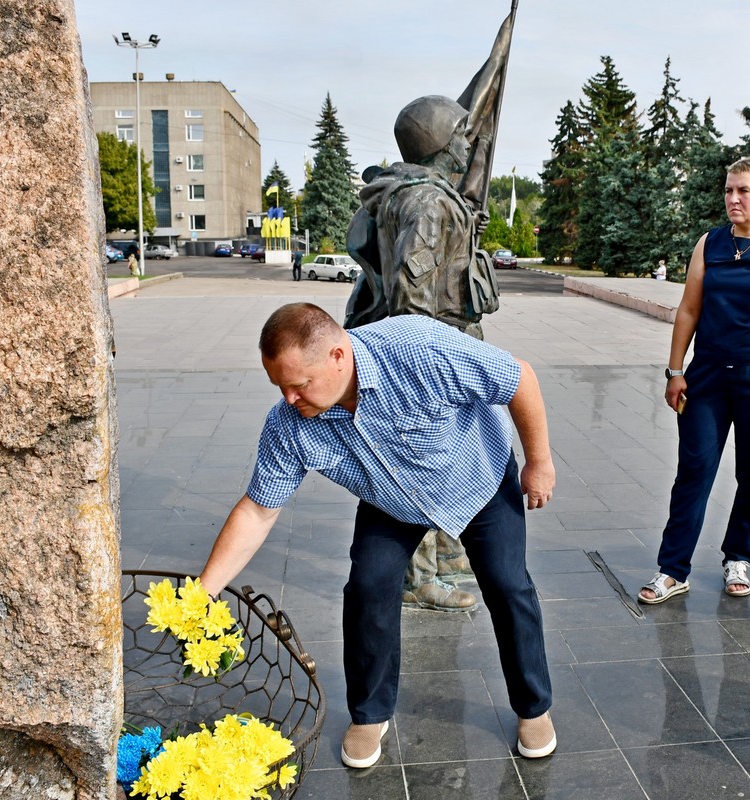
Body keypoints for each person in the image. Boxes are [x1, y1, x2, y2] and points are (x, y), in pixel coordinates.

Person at [197, 303, 557, 768]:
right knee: (368, 586)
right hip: (392, 501)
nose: (289, 398)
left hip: (477, 475)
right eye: (279, 386)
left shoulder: (417, 348)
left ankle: (533, 707)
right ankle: (370, 714)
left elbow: (518, 377)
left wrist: (539, 462)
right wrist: (202, 591)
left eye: (299, 384)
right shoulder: (289, 424)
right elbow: (257, 511)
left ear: (337, 356)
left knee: (509, 586)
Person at [344, 95, 504, 612]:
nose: (466, 142)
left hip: (435, 343)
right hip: (433, 351)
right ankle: (417, 578)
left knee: (450, 457)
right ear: (436, 143)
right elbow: (412, 292)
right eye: (458, 133)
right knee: (420, 462)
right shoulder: (429, 203)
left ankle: (448, 551)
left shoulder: (415, 196)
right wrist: (428, 368)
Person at [639, 156, 750, 605]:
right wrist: (676, 370)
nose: (733, 198)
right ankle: (672, 569)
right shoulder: (711, 243)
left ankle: (737, 557)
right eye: (728, 190)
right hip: (707, 378)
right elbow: (689, 309)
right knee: (694, 469)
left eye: (743, 190)